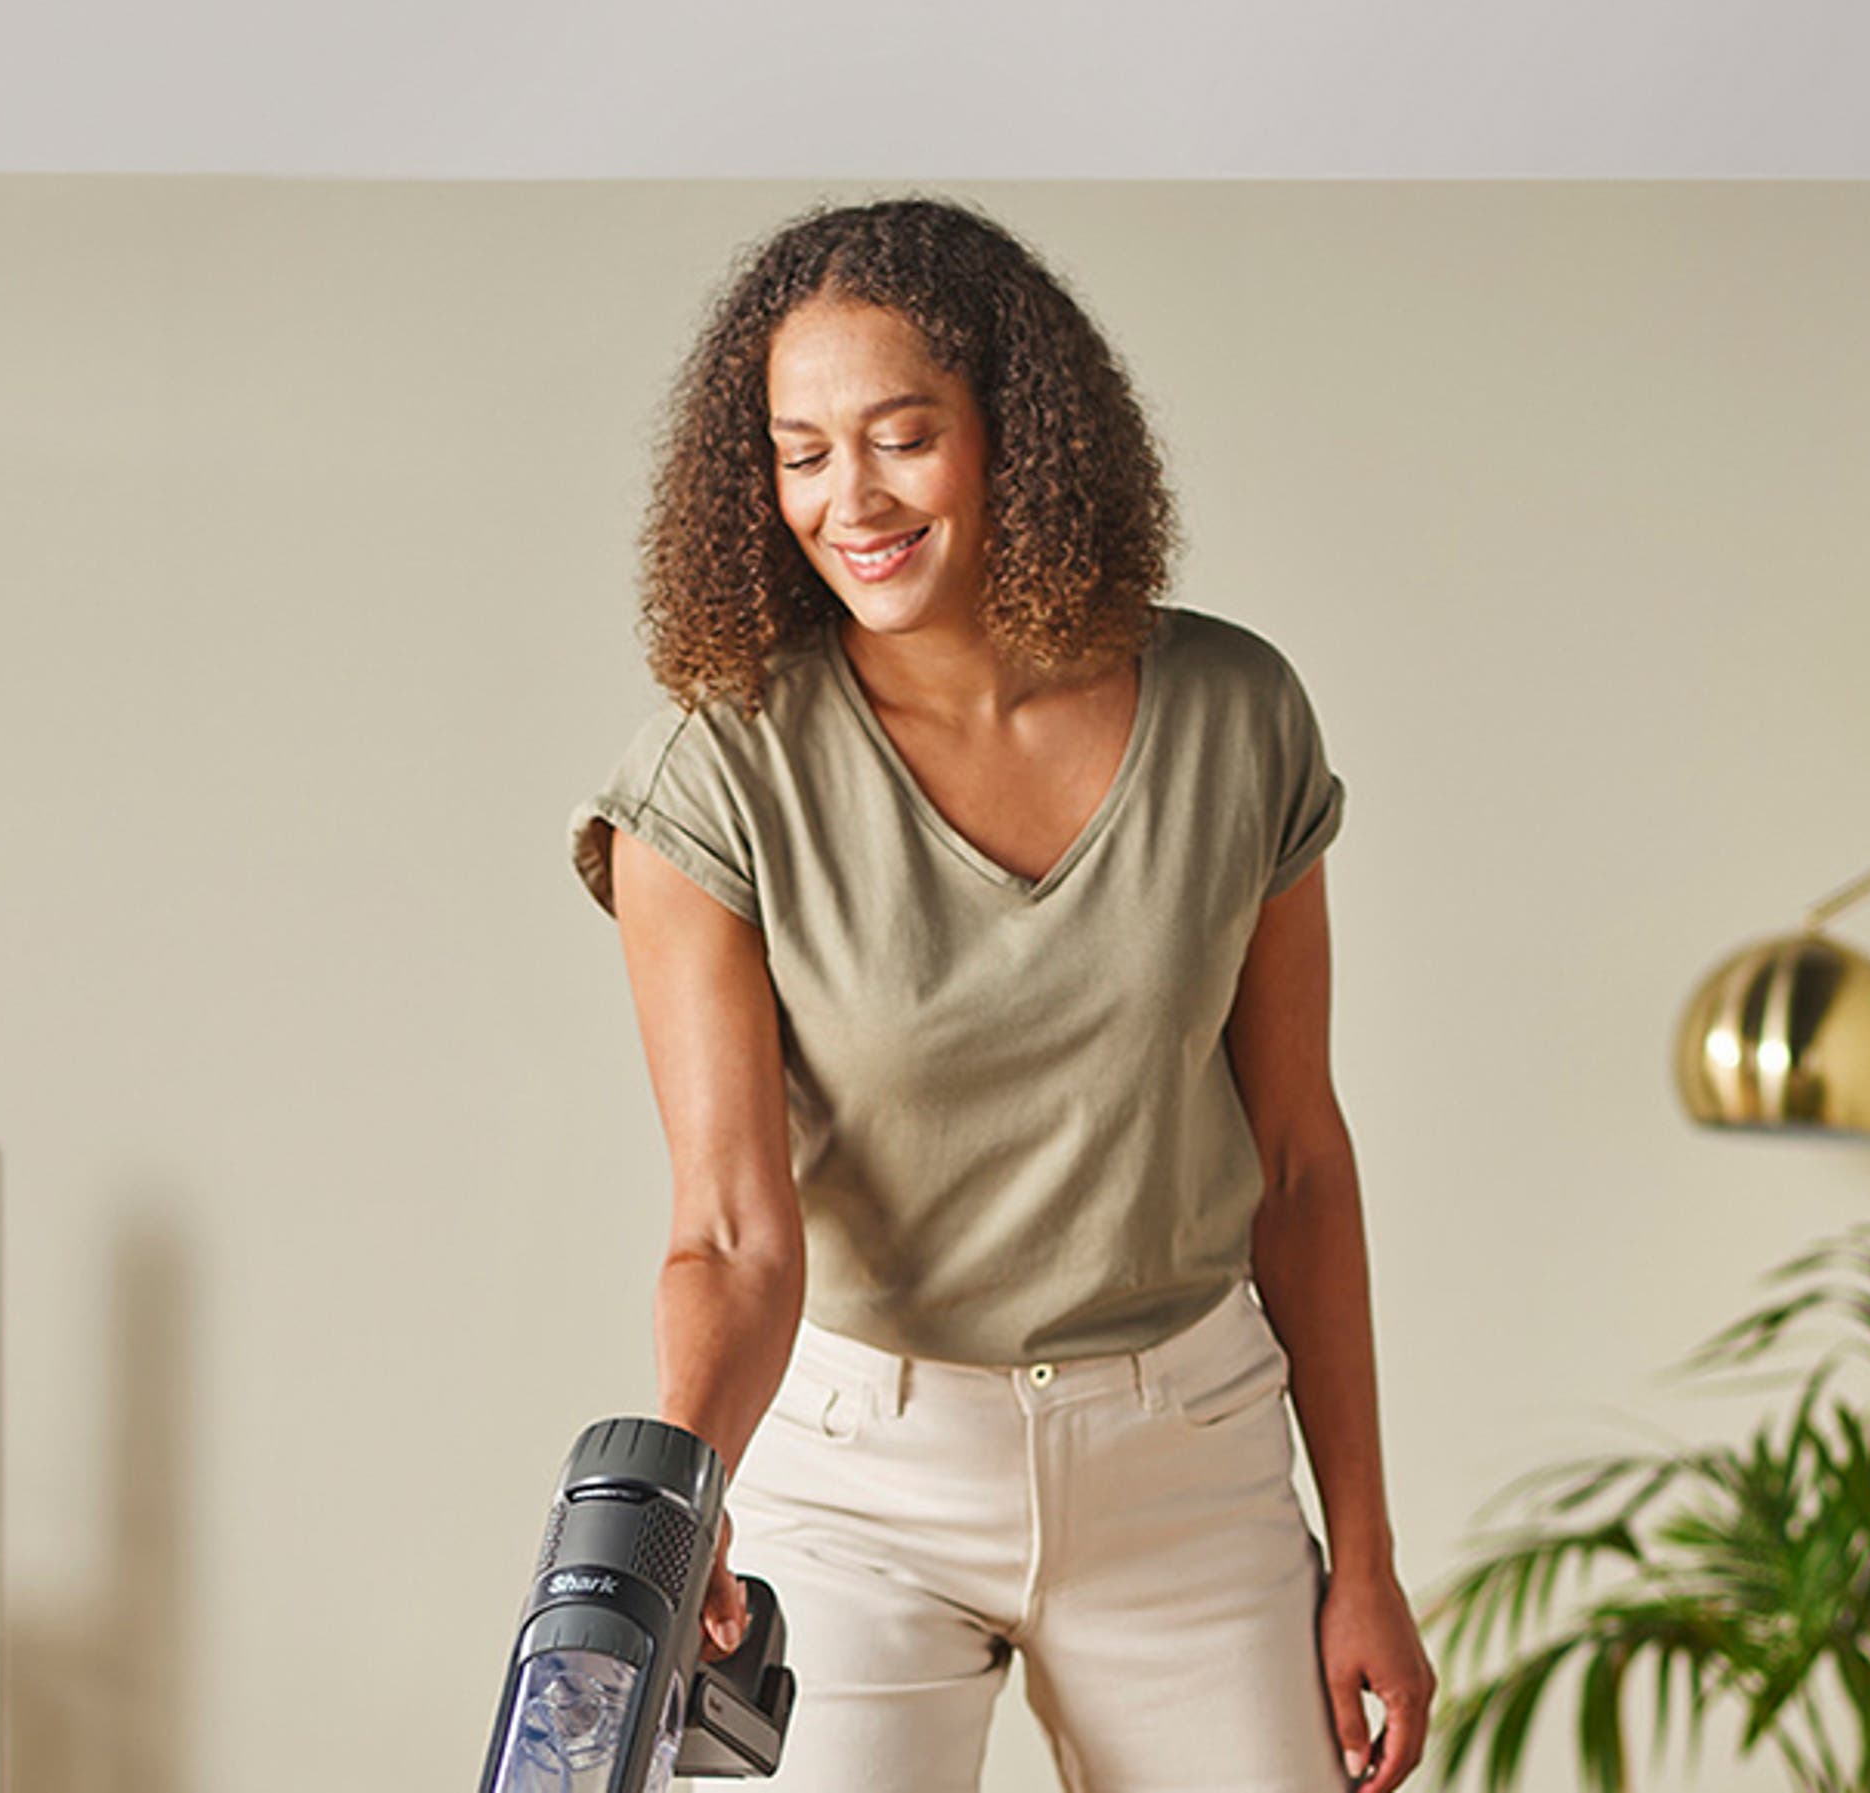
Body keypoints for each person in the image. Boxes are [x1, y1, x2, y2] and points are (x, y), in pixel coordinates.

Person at [567, 196, 1433, 1793]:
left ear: (1016, 436)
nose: (850, 499)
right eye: (802, 451)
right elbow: (734, 1232)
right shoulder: (714, 774)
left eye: (901, 437)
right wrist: (680, 1509)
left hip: (1191, 1455)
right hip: (859, 1476)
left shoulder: (1235, 716)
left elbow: (1301, 1161)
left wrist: (1362, 1552)